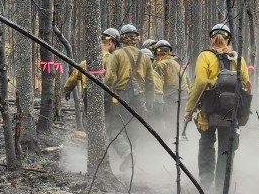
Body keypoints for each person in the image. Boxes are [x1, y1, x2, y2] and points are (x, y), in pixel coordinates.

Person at [182, 24, 251, 194]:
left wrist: (189, 110)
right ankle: (221, 189)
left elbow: (199, 83)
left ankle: (205, 185)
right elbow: (247, 86)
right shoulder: (239, 59)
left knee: (206, 144)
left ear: (211, 38)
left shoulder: (205, 56)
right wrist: (242, 115)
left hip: (208, 110)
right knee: (226, 149)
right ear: (229, 38)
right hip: (232, 112)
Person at [104, 24, 156, 172]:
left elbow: (109, 78)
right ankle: (131, 165)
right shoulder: (145, 57)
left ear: (122, 38)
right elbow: (150, 82)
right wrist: (149, 103)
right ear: (136, 39)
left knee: (114, 129)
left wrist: (105, 95)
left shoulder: (117, 55)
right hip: (138, 98)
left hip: (120, 97)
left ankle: (128, 154)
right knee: (133, 129)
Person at [63, 28, 119, 111]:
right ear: (110, 42)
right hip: (104, 94)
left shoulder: (89, 58)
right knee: (106, 119)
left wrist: (67, 90)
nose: (115, 48)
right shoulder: (110, 58)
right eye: (115, 45)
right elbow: (112, 77)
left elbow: (74, 76)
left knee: (89, 117)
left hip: (87, 92)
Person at [153, 39, 190, 134]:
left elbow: (157, 86)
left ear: (157, 52)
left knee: (171, 127)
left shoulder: (160, 65)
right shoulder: (178, 64)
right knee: (180, 127)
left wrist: (156, 102)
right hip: (184, 99)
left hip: (171, 100)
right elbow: (188, 83)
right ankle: (183, 146)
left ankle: (170, 146)